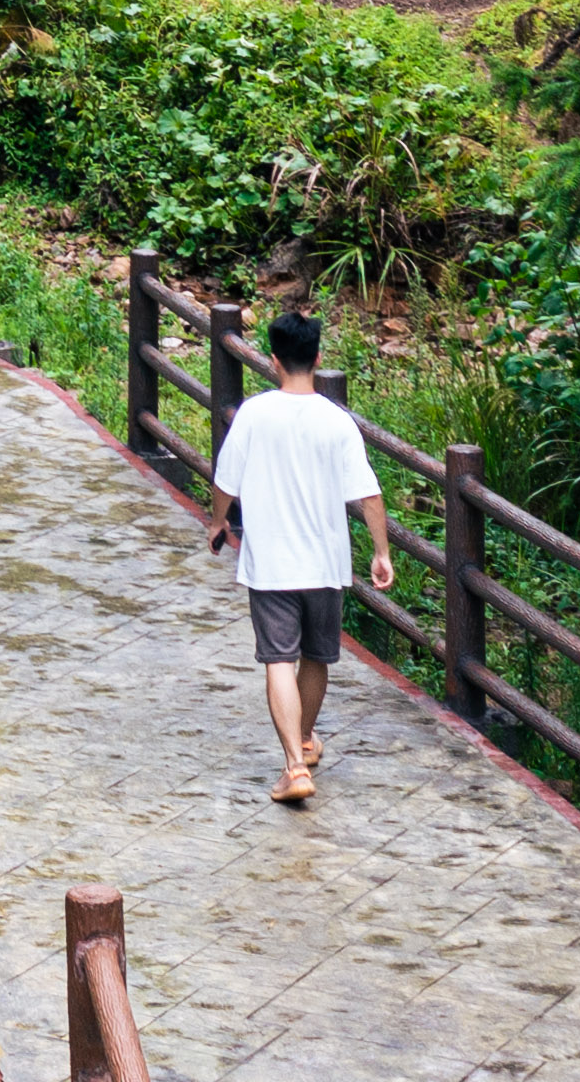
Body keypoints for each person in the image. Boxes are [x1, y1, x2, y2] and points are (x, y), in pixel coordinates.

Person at [201, 307, 391, 804]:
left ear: (273, 360)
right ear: (318, 357)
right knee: (316, 657)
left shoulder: (255, 414)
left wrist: (219, 521)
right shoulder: (337, 421)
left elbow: (225, 481)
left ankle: (293, 766)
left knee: (278, 659)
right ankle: (305, 741)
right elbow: (367, 493)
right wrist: (381, 551)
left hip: (272, 565)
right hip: (326, 564)